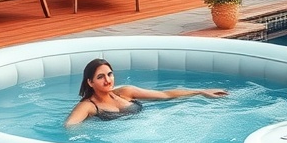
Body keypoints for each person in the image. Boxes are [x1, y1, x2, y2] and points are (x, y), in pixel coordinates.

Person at [64, 58, 228, 127]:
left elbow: (165, 95)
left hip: (150, 126)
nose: (107, 80)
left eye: (110, 74)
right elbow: (70, 127)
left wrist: (200, 92)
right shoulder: (88, 106)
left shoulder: (125, 92)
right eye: (100, 77)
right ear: (90, 82)